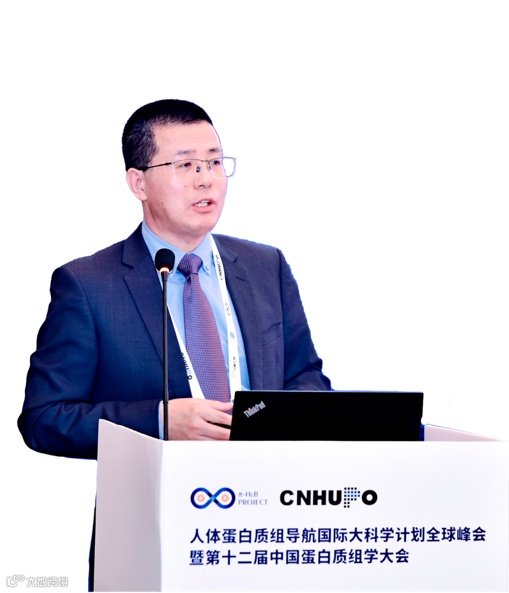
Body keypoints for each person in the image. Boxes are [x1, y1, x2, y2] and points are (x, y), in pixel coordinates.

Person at [18, 98, 332, 460]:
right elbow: (45, 419)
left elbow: (308, 380)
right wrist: (157, 421)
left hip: (264, 486)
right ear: (139, 183)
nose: (206, 179)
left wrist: (270, 421)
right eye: (186, 165)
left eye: (214, 162)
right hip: (159, 492)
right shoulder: (88, 285)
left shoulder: (265, 266)